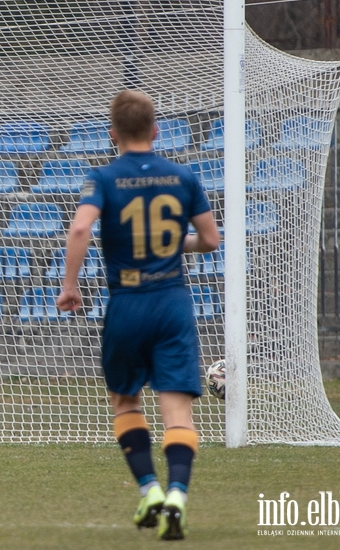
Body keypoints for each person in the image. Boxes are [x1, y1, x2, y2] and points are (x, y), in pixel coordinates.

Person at [56, 90, 221, 541]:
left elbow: (80, 228)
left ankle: (148, 488)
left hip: (126, 302)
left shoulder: (103, 177)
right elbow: (209, 240)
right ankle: (177, 496)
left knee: (126, 401)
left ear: (113, 134)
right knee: (178, 414)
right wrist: (172, 247)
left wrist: (70, 286)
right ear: (156, 130)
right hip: (172, 301)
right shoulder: (184, 176)